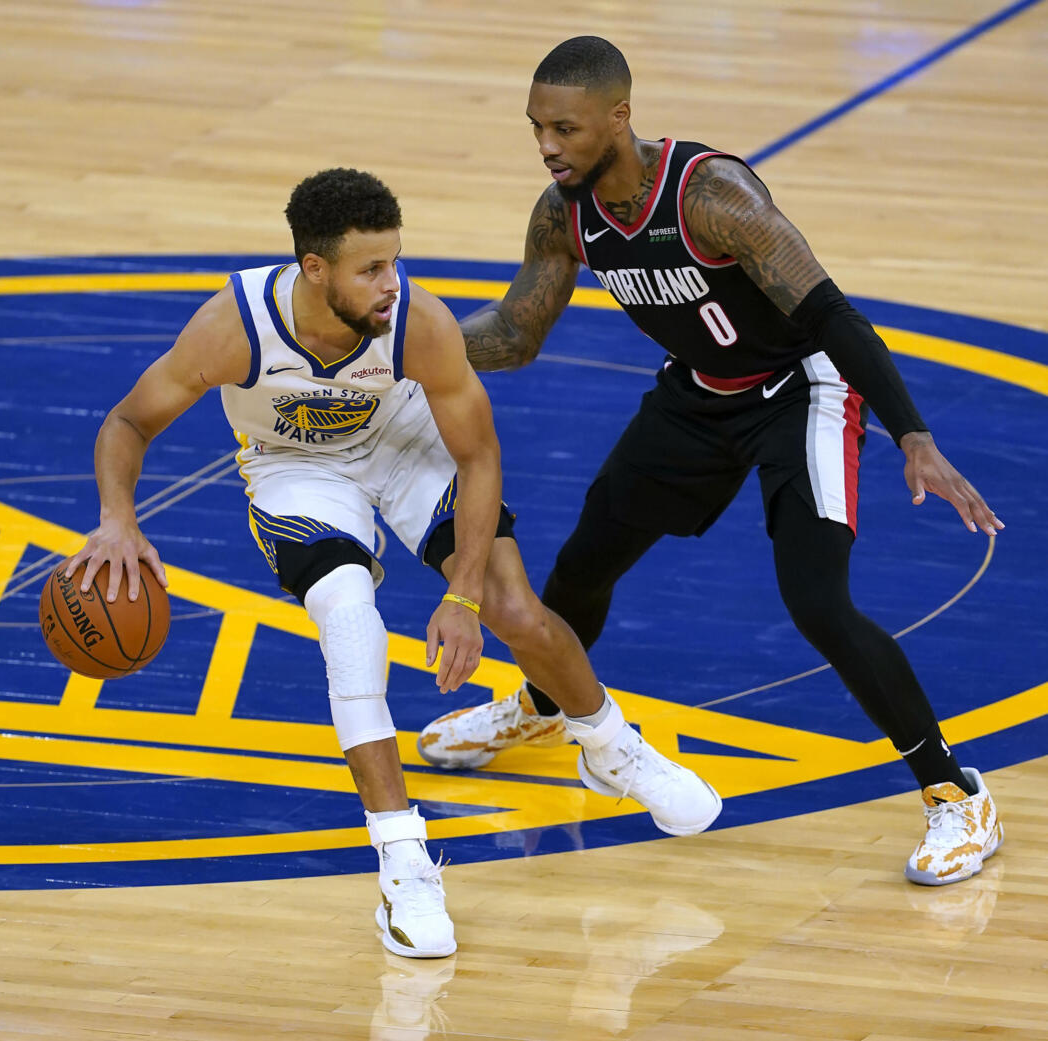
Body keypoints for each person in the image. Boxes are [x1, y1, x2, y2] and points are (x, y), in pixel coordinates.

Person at [64, 168, 721, 960]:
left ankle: (613, 748)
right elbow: (129, 421)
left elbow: (479, 457)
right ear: (315, 269)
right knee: (349, 620)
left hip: (407, 446)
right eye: (370, 268)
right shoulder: (234, 326)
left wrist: (464, 594)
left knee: (517, 609)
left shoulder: (419, 323)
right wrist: (115, 520)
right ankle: (405, 862)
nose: (391, 282)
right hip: (295, 469)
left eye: (395, 261)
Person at [417, 37, 1004, 887]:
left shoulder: (710, 195)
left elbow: (833, 314)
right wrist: (406, 347)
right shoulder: (564, 212)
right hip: (696, 394)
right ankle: (546, 705)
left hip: (800, 391)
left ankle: (956, 792)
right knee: (587, 556)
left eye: (566, 129)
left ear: (619, 117)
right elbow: (515, 334)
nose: (549, 146)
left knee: (817, 600)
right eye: (538, 128)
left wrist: (912, 430)